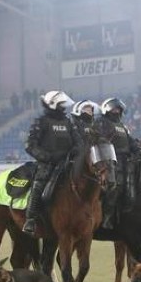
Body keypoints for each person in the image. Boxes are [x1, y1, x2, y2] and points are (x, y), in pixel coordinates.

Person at [22, 90, 80, 236]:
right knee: (39, 185)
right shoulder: (41, 122)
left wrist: (75, 150)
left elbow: (78, 141)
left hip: (68, 163)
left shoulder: (68, 122)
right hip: (47, 164)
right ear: (52, 104)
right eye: (61, 104)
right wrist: (47, 157)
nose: (64, 107)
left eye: (64, 104)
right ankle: (30, 219)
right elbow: (30, 145)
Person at [95, 97, 141, 229]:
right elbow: (101, 142)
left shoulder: (122, 126)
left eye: (119, 109)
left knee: (132, 188)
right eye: (114, 109)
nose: (117, 111)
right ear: (107, 109)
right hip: (110, 161)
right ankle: (106, 218)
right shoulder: (102, 123)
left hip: (126, 161)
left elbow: (131, 141)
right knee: (114, 188)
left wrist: (138, 150)